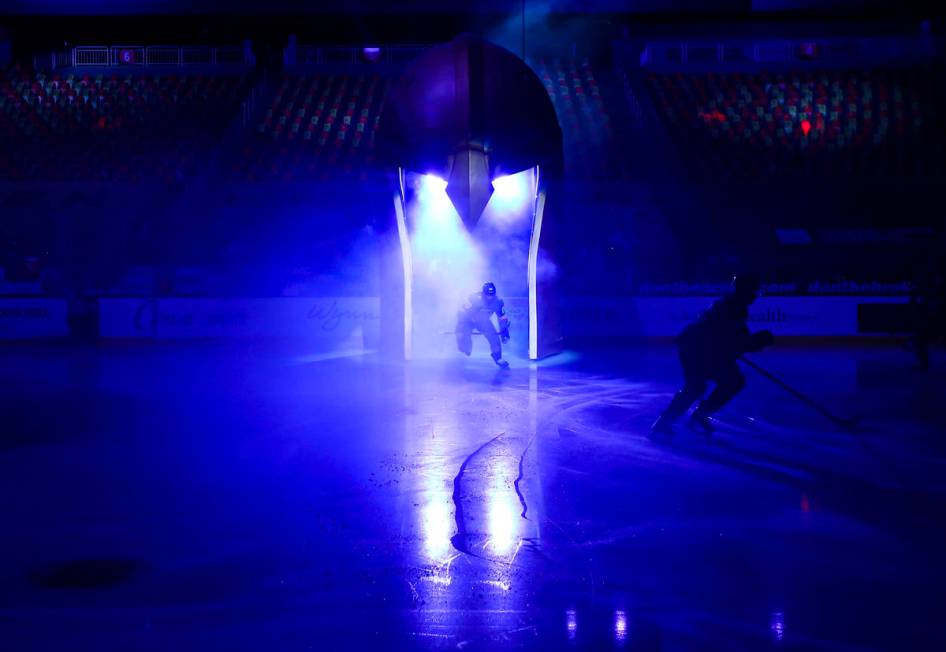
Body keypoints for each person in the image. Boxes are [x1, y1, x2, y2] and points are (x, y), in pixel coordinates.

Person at [652, 274, 774, 435]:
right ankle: (664, 422)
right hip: (696, 351)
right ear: (745, 290)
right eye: (754, 292)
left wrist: (752, 342)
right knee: (696, 387)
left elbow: (736, 340)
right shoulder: (730, 307)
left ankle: (700, 414)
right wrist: (757, 341)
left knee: (733, 381)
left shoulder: (737, 306)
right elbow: (735, 341)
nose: (755, 297)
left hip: (710, 352)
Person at [456, 282, 511, 368]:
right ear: (483, 293)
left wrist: (505, 333)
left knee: (494, 337)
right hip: (468, 320)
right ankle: (465, 347)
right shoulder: (473, 298)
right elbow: (462, 312)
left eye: (492, 295)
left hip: (483, 322)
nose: (490, 297)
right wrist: (461, 325)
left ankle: (498, 358)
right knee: (463, 337)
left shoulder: (498, 301)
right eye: (488, 295)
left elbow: (502, 318)